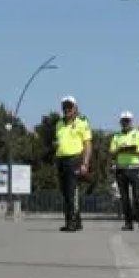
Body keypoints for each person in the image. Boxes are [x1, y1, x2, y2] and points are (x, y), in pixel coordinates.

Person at [53, 95, 92, 232]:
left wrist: (85, 163)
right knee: (65, 193)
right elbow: (61, 142)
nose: (67, 109)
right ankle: (76, 221)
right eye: (64, 106)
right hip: (61, 160)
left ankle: (72, 222)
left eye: (69, 106)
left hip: (75, 160)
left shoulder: (82, 123)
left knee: (71, 192)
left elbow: (87, 145)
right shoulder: (59, 124)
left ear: (75, 108)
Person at [109, 110, 139, 231]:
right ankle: (128, 223)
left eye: (127, 120)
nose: (125, 123)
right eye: (123, 121)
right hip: (121, 169)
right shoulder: (116, 136)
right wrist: (119, 150)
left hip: (135, 168)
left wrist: (135, 151)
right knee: (124, 197)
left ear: (132, 121)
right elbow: (111, 151)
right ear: (120, 122)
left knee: (138, 195)